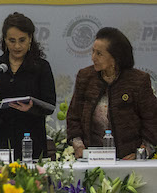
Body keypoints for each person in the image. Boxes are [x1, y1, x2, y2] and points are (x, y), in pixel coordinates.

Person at [0, 12, 56, 160]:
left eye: (22, 40)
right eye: (12, 40)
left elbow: (50, 104)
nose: (17, 46)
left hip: (30, 138)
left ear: (30, 39)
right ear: (4, 40)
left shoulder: (41, 67)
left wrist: (31, 108)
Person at [67, 27, 157, 160]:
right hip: (91, 158)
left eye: (99, 54)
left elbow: (152, 119)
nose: (93, 58)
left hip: (129, 158)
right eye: (93, 52)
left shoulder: (138, 80)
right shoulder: (85, 76)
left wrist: (142, 153)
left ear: (115, 58)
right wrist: (79, 146)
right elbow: (73, 117)